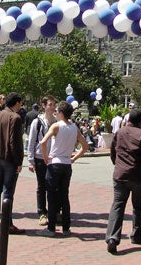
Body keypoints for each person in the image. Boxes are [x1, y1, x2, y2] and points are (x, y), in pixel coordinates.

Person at [36, 101, 89, 237]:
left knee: (52, 196)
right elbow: (85, 146)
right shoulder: (74, 127)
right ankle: (66, 227)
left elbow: (43, 142)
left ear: (61, 113)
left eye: (57, 111)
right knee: (64, 196)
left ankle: (51, 228)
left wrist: (46, 157)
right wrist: (73, 158)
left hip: (55, 163)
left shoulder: (56, 126)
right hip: (66, 164)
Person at [105, 109, 141, 254]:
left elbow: (113, 152)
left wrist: (118, 164)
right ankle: (137, 234)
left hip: (121, 174)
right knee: (138, 206)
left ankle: (112, 237)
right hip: (138, 175)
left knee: (118, 205)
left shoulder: (120, 132)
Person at [0, 92, 26, 235]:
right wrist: (19, 161)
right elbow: (14, 142)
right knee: (8, 191)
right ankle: (7, 223)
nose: (21, 106)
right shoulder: (15, 118)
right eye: (20, 103)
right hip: (9, 158)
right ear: (16, 103)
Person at [27, 95, 57, 226]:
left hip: (53, 158)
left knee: (53, 186)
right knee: (41, 186)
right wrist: (30, 160)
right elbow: (32, 141)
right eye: (50, 105)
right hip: (40, 157)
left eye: (53, 105)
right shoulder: (37, 122)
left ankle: (53, 211)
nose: (52, 107)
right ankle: (42, 212)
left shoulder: (57, 122)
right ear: (44, 106)